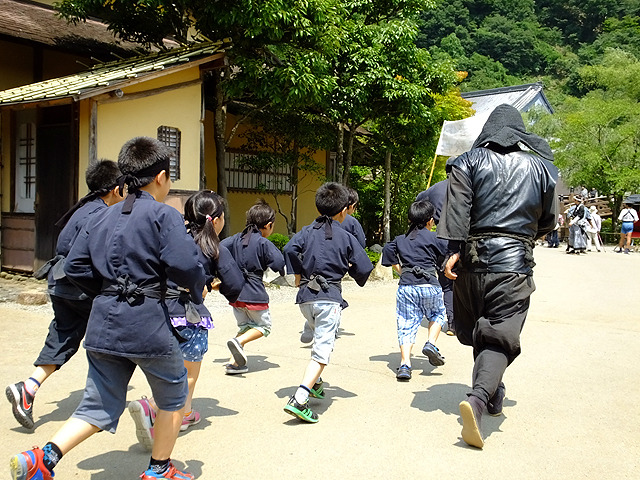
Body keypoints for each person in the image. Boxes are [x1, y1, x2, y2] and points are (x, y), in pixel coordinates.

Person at [9, 136, 207, 480]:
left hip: (104, 324)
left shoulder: (100, 217)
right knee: (174, 397)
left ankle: (43, 458)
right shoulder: (164, 215)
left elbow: (75, 267)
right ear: (161, 177)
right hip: (149, 325)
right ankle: (159, 469)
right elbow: (187, 265)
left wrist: (105, 293)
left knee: (97, 405)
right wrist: (196, 293)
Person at [438, 104, 558, 449]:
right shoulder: (542, 167)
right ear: (520, 132)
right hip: (513, 264)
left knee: (482, 328)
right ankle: (477, 399)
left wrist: (454, 252)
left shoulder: (467, 161)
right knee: (499, 334)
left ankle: (494, 392)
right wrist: (523, 237)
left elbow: (457, 212)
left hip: (472, 262)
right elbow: (548, 220)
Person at [6, 160, 122, 431]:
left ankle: (28, 387)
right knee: (112, 336)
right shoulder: (102, 214)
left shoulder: (82, 209)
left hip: (58, 283)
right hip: (79, 286)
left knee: (64, 335)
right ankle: (101, 401)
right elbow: (98, 258)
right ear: (116, 189)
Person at [128, 190, 245, 450]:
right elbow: (235, 284)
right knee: (188, 374)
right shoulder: (212, 245)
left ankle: (187, 412)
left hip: (158, 310)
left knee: (169, 367)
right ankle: (154, 407)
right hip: (188, 314)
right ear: (214, 220)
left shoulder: (173, 237)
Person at [282, 182, 373, 423]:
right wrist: (352, 271)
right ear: (344, 209)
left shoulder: (305, 231)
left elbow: (289, 248)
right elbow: (364, 266)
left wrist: (299, 274)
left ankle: (316, 383)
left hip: (305, 299)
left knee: (317, 339)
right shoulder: (345, 236)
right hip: (329, 298)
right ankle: (299, 398)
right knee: (322, 351)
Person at [381, 200, 448, 381]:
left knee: (406, 323)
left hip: (407, 287)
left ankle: (405, 365)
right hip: (429, 285)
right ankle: (431, 343)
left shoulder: (400, 240)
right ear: (429, 220)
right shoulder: (435, 238)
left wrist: (402, 271)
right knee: (438, 315)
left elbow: (387, 251)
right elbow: (448, 254)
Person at [220, 199, 285, 375]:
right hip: (254, 293)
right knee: (264, 327)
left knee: (245, 327)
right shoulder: (263, 243)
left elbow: (217, 249)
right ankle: (238, 342)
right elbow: (279, 262)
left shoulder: (234, 239)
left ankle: (235, 364)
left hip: (235, 295)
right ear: (268, 225)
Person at [416, 178, 455, 335]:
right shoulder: (471, 186)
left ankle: (453, 324)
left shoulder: (433, 190)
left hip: (442, 239)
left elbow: (417, 207)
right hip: (467, 240)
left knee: (447, 285)